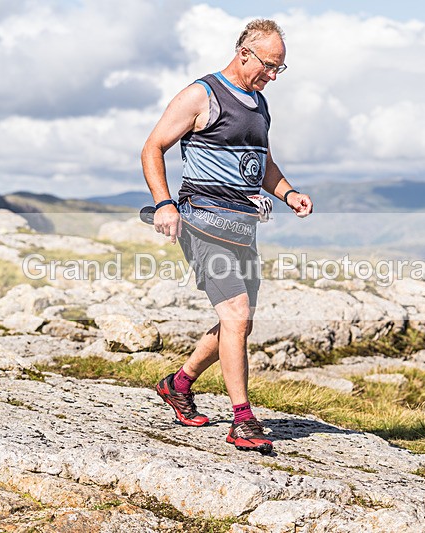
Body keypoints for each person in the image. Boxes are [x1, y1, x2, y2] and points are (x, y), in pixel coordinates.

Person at [141, 19, 312, 454]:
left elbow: (263, 163)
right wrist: (163, 204)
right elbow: (153, 147)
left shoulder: (259, 104)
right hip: (201, 221)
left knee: (240, 323)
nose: (273, 76)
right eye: (269, 66)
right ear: (244, 54)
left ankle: (177, 385)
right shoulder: (202, 94)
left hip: (242, 226)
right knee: (236, 313)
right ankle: (243, 420)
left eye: (280, 69)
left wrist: (288, 193)